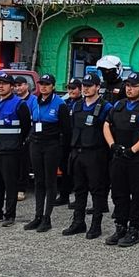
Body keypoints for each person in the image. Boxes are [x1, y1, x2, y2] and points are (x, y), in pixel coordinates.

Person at [103, 72, 139, 247]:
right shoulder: (119, 104)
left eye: (133, 86)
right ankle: (120, 226)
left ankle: (134, 229)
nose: (129, 89)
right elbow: (106, 124)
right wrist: (112, 145)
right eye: (127, 85)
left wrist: (133, 150)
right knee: (119, 193)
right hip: (119, 156)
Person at [0, 73, 31, 227]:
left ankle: (9, 214)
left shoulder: (19, 104)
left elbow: (26, 127)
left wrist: (17, 143)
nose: (1, 86)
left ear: (12, 86)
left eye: (4, 83)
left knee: (10, 184)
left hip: (11, 150)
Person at [65, 74, 112, 239]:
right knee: (79, 189)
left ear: (98, 87)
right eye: (84, 85)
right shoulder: (77, 105)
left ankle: (96, 225)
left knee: (97, 191)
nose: (85, 88)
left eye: (89, 85)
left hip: (95, 153)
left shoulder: (106, 107)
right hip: (78, 152)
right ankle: (78, 222)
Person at [24, 74, 69, 233]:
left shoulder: (60, 104)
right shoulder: (34, 101)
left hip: (52, 146)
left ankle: (47, 218)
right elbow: (31, 123)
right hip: (36, 144)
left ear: (53, 86)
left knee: (50, 181)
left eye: (47, 84)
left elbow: (66, 130)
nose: (43, 87)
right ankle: (37, 216)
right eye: (41, 84)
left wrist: (62, 150)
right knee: (38, 181)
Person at [57, 78, 83, 206]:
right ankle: (64, 196)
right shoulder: (65, 103)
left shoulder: (83, 103)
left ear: (80, 89)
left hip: (77, 142)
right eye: (69, 88)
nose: (71, 91)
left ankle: (79, 199)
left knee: (77, 171)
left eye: (73, 88)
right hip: (65, 141)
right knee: (64, 168)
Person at [13, 75, 34, 202]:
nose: (18, 88)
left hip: (28, 136)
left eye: (20, 85)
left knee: (23, 164)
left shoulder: (33, 100)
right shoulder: (13, 100)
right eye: (15, 86)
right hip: (14, 136)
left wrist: (28, 137)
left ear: (26, 85)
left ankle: (21, 189)